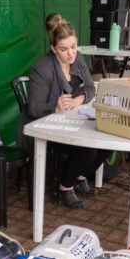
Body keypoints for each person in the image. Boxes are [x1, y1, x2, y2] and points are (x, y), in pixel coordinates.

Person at [17, 13, 108, 209]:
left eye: (73, 47)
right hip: (46, 127)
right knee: (89, 147)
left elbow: (91, 88)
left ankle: (79, 176)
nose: (70, 54)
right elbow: (33, 107)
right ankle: (65, 186)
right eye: (63, 49)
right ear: (53, 49)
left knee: (106, 142)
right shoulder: (42, 68)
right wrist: (54, 107)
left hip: (70, 121)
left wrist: (79, 98)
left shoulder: (78, 60)